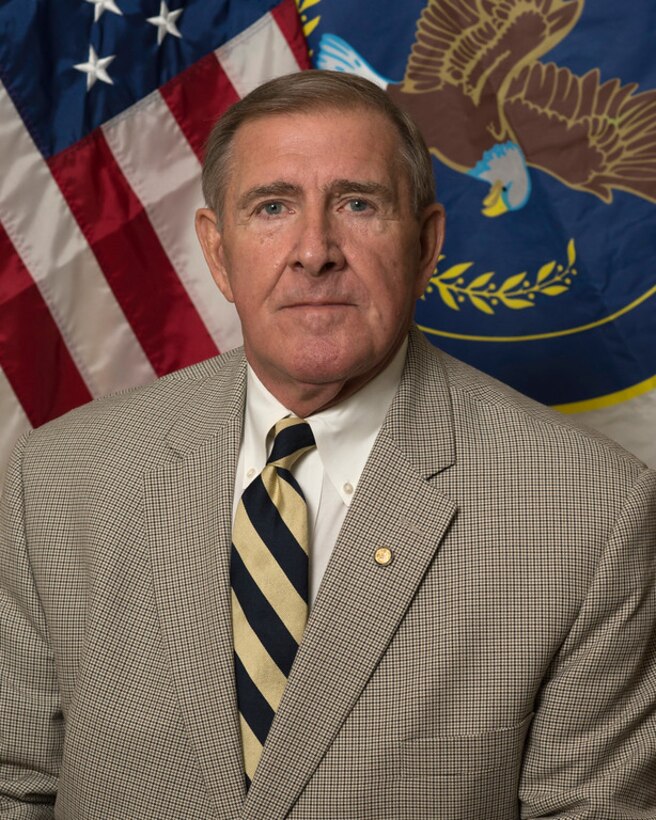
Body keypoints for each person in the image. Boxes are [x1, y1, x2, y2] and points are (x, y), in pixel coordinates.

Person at [1, 70, 655, 820]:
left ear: (427, 244)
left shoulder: (589, 509)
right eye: (273, 206)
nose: (315, 250)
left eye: (358, 204)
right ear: (217, 253)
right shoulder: (57, 479)